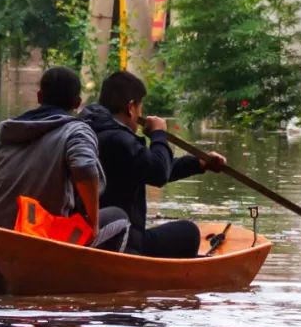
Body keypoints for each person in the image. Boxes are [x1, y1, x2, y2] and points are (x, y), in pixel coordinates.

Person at [0, 66, 129, 250]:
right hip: (44, 243)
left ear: (39, 97)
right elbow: (85, 167)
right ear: (77, 103)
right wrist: (93, 223)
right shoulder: (76, 131)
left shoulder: (2, 136)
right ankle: (86, 277)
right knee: (119, 218)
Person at [80, 71, 226, 258]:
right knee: (189, 232)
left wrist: (198, 164)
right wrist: (158, 135)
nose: (141, 113)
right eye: (141, 107)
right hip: (124, 240)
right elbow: (158, 173)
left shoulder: (90, 132)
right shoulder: (119, 139)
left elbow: (150, 167)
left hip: (92, 232)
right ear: (131, 107)